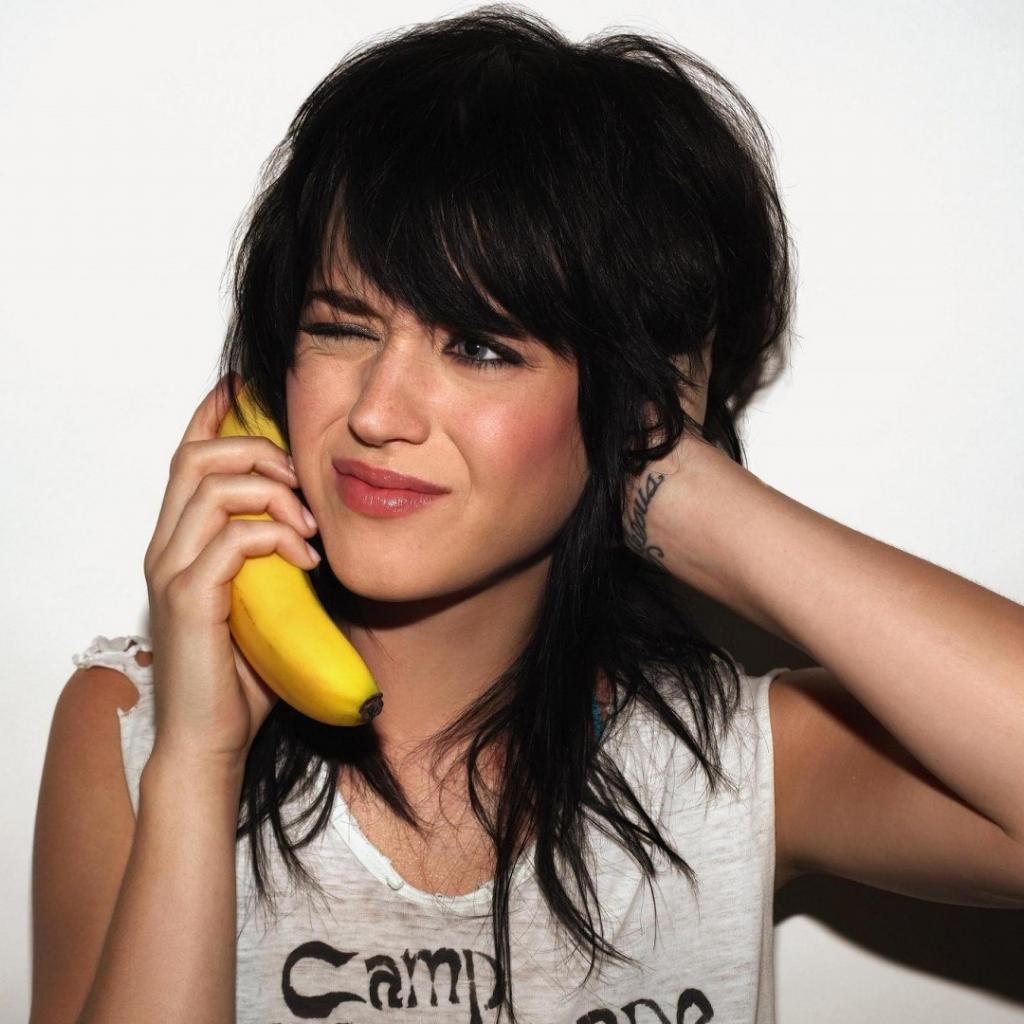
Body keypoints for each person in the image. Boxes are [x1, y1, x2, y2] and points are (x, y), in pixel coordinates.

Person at [32, 6, 1024, 1024]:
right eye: (340, 327)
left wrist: (677, 485)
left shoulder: (725, 762)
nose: (375, 411)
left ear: (627, 401)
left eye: (478, 346)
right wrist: (199, 769)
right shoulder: (135, 730)